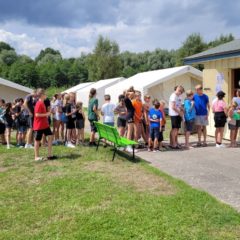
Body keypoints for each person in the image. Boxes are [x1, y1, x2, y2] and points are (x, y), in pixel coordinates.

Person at [33, 89, 56, 161]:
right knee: (37, 140)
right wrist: (47, 114)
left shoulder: (42, 103)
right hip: (39, 125)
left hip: (45, 124)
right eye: (45, 94)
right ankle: (36, 157)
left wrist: (49, 112)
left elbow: (42, 113)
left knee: (50, 136)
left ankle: (49, 155)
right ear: (42, 95)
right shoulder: (39, 103)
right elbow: (37, 114)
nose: (46, 95)